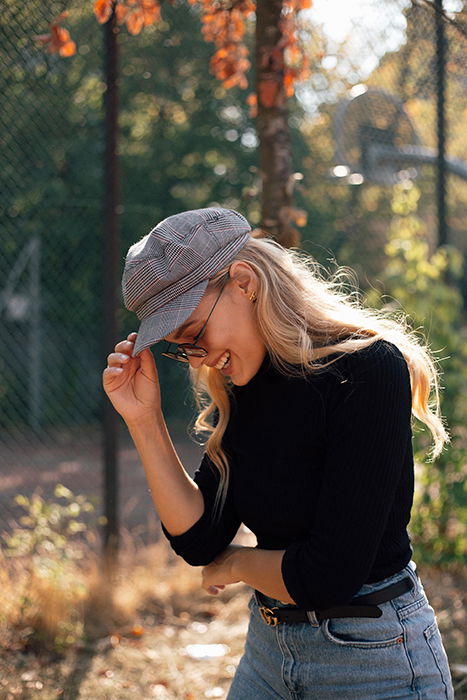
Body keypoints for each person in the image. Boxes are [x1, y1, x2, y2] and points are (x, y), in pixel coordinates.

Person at [103, 207, 454, 699]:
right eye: (183, 349)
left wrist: (238, 565)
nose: (200, 360)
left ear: (243, 281)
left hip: (373, 658)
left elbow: (328, 575)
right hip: (269, 654)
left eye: (196, 336)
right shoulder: (246, 386)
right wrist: (143, 420)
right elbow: (200, 539)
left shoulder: (369, 371)